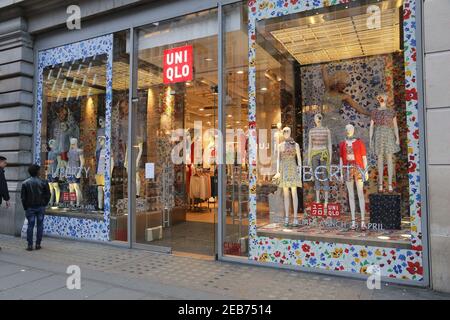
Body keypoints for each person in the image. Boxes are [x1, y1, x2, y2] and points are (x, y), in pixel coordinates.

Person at [21, 164, 51, 251]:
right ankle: (38, 244)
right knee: (40, 225)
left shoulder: (25, 183)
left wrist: (26, 207)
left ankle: (30, 245)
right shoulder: (44, 182)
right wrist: (44, 203)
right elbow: (48, 195)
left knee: (30, 225)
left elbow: (23, 198)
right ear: (37, 172)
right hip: (40, 206)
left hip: (30, 207)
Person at [0, 156, 11, 251]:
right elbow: (3, 186)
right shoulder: (0, 172)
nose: (5, 164)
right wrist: (7, 199)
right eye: (4, 162)